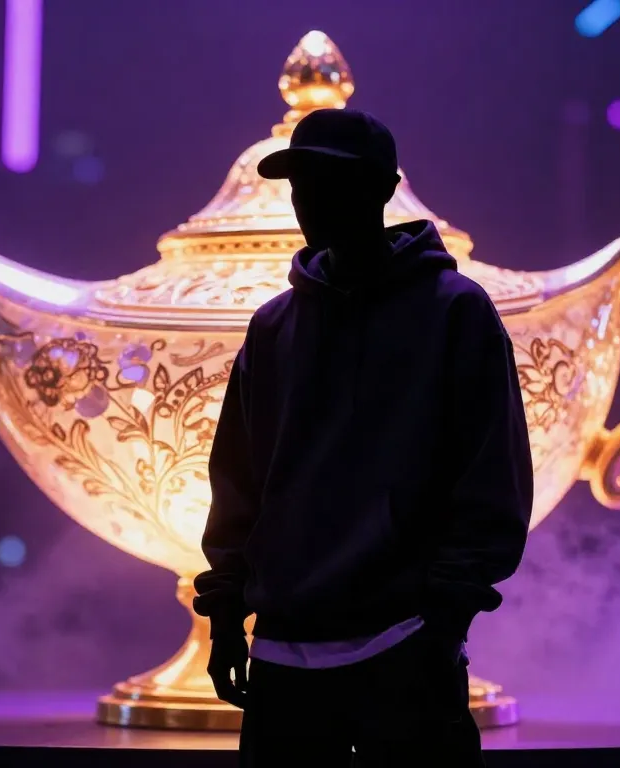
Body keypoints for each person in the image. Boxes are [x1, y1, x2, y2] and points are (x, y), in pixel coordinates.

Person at [193, 108, 533, 766]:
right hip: (285, 652)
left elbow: (491, 477)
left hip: (405, 645)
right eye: (301, 184)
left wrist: (445, 620)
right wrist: (226, 614)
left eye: (331, 181)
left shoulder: (455, 311)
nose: (309, 200)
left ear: (382, 189)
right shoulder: (273, 326)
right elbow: (238, 482)